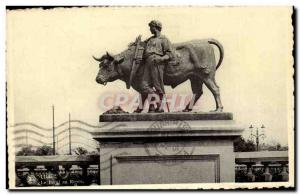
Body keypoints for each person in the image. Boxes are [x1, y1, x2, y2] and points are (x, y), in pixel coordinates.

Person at [139, 20, 174, 113]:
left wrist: (161, 59)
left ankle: (161, 107)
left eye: (151, 27)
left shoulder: (164, 39)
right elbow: (141, 46)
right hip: (147, 62)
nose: (150, 29)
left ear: (156, 28)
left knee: (158, 86)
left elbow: (170, 54)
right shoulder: (149, 40)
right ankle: (157, 101)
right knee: (143, 85)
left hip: (157, 63)